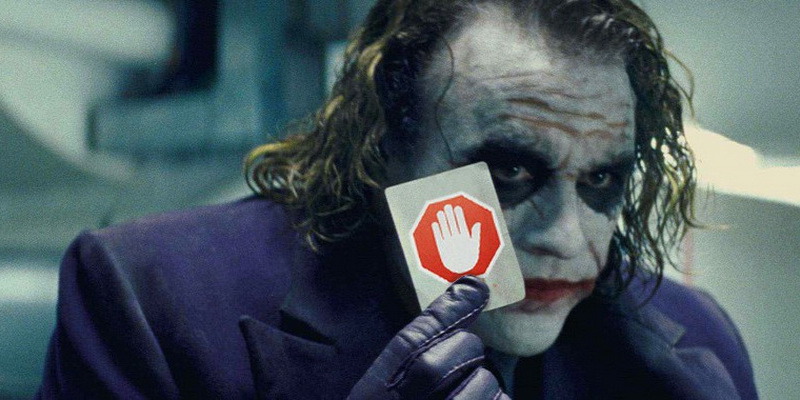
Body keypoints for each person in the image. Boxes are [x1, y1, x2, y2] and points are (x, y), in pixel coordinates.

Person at [37, 0, 758, 398]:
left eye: (600, 180)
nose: (567, 239)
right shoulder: (152, 297)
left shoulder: (698, 345)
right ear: (383, 146)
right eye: (510, 171)